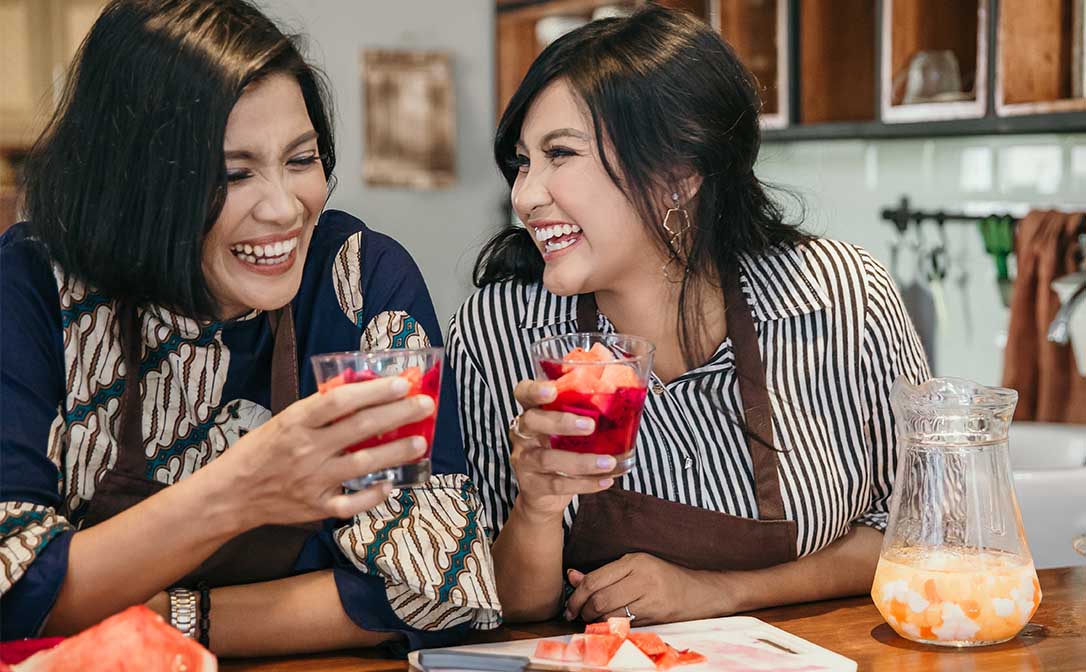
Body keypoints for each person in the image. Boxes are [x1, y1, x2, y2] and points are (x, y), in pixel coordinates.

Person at [0, 0, 498, 656]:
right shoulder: (34, 287)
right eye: (234, 173)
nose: (285, 208)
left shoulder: (357, 285)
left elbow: (438, 587)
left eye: (301, 159)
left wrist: (171, 614)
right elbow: (15, 588)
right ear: (132, 180)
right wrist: (238, 491)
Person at [448, 5, 930, 625]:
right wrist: (537, 508)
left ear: (680, 169)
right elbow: (498, 610)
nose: (525, 195)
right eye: (523, 161)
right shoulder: (499, 332)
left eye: (560, 154)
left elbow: (924, 533)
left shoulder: (839, 296)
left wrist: (717, 591)